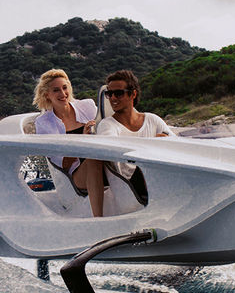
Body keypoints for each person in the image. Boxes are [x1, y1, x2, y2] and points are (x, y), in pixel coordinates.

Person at [32, 69, 107, 217]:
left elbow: (107, 129)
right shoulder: (44, 123)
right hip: (75, 176)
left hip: (107, 163)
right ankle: (98, 218)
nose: (63, 93)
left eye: (64, 88)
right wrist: (83, 140)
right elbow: (63, 164)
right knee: (93, 160)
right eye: (56, 90)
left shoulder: (87, 106)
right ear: (47, 94)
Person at [95, 70, 175, 139]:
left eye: (118, 93)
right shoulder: (106, 125)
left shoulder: (153, 120)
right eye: (109, 94)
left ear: (133, 94)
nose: (113, 98)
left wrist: (167, 140)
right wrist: (155, 143)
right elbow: (114, 149)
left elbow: (176, 143)